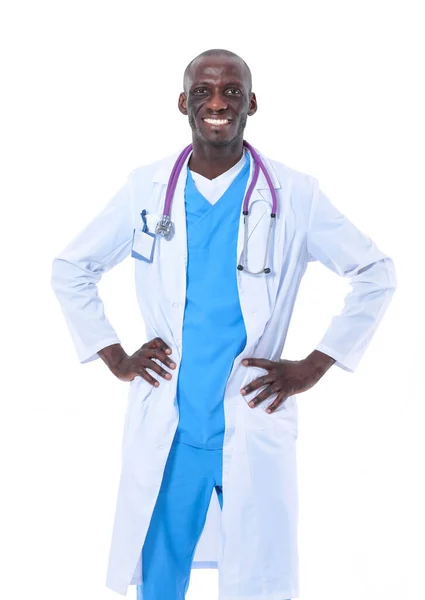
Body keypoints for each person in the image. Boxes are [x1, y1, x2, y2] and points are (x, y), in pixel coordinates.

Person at [51, 48, 397, 600]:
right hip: (172, 428)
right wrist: (114, 356)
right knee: (160, 582)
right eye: (203, 91)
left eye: (231, 92)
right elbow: (72, 268)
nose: (217, 103)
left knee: (257, 584)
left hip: (253, 420)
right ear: (182, 103)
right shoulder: (146, 188)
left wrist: (312, 366)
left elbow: (376, 273)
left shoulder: (294, 194)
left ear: (251, 104)